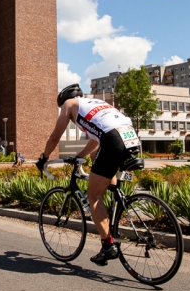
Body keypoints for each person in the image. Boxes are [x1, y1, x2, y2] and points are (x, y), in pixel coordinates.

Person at [35, 84, 140, 266]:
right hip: (131, 136)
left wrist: (43, 158)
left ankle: (108, 246)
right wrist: (79, 156)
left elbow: (54, 137)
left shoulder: (69, 104)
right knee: (95, 157)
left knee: (94, 195)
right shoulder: (95, 103)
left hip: (113, 139)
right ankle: (116, 202)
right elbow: (95, 138)